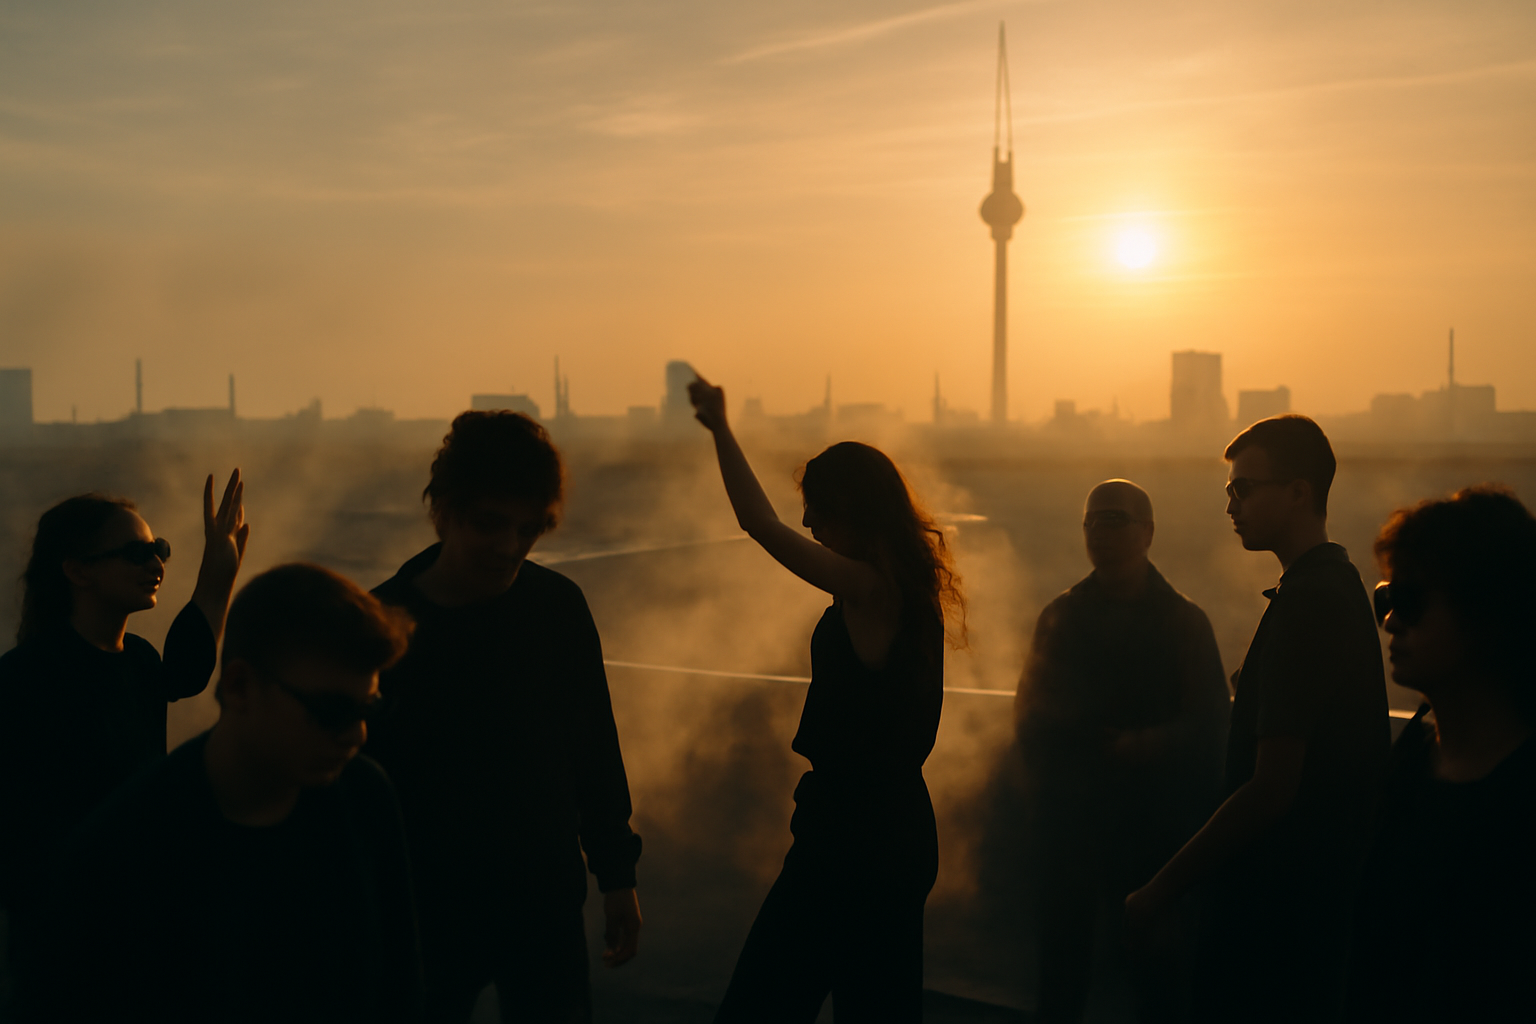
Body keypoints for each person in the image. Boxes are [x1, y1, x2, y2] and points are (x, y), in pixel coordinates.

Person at [31, 563, 420, 1024]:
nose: (356, 735)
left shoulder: (365, 796)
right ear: (238, 686)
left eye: (370, 708)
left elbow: (398, 988)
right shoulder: (120, 851)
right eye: (331, 710)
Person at [689, 372, 964, 1024]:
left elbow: (758, 524)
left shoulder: (871, 589)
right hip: (890, 833)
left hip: (852, 841)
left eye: (818, 507)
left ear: (854, 510)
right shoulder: (903, 590)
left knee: (760, 1005)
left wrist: (721, 430)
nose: (807, 521)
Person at [366, 410, 642, 1024]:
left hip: (542, 908)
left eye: (529, 528)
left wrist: (616, 875)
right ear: (443, 511)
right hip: (423, 918)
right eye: (490, 524)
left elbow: (592, 747)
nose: (510, 547)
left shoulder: (558, 608)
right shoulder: (380, 628)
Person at [1125, 415, 1389, 1023]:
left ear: (1299, 491)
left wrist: (1161, 889)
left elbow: (1272, 787)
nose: (1230, 506)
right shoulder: (1334, 584)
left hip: (1279, 914)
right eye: (1228, 492)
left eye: (1243, 489)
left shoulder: (1309, 602)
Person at [0, 473, 248, 1003]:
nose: (156, 564)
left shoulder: (137, 660)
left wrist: (217, 572)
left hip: (138, 922)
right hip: (67, 943)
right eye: (136, 553)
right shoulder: (24, 679)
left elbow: (184, 671)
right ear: (77, 571)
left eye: (158, 549)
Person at [1016, 479, 1228, 1023]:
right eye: (1091, 521)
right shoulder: (1059, 616)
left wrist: (1149, 744)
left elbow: (1210, 723)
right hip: (1072, 825)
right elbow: (1029, 715)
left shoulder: (1184, 621)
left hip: (1153, 827)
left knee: (1156, 978)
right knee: (1061, 973)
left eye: (1113, 520)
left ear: (1148, 533)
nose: (1099, 533)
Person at [1347, 486, 1536, 1022]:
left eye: (1410, 601)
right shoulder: (1412, 761)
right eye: (1387, 598)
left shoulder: (1521, 799)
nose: (1389, 621)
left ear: (1488, 615)